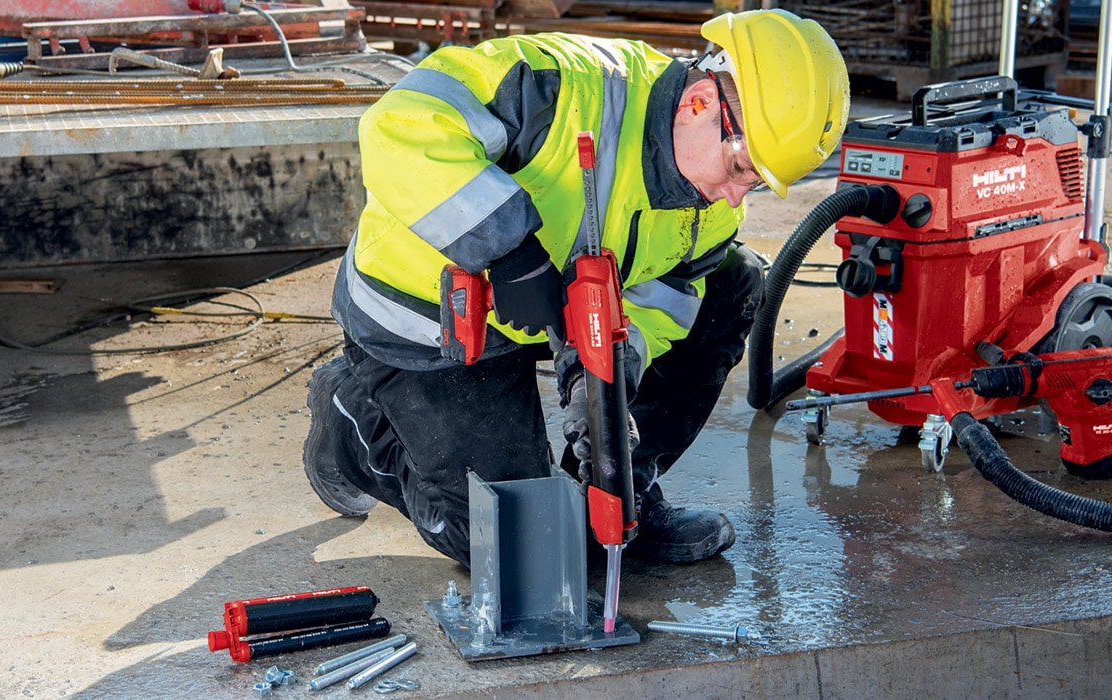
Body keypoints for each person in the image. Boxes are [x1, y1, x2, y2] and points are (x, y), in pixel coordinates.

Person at [303, 9, 850, 568]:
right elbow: (398, 126)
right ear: (700, 103)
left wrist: (611, 380)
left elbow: (665, 302)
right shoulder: (552, 86)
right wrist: (508, 251)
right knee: (513, 549)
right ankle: (352, 419)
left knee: (734, 281)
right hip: (429, 316)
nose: (736, 197)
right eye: (740, 168)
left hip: (549, 310)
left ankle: (616, 492)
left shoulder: (708, 204)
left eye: (754, 183)